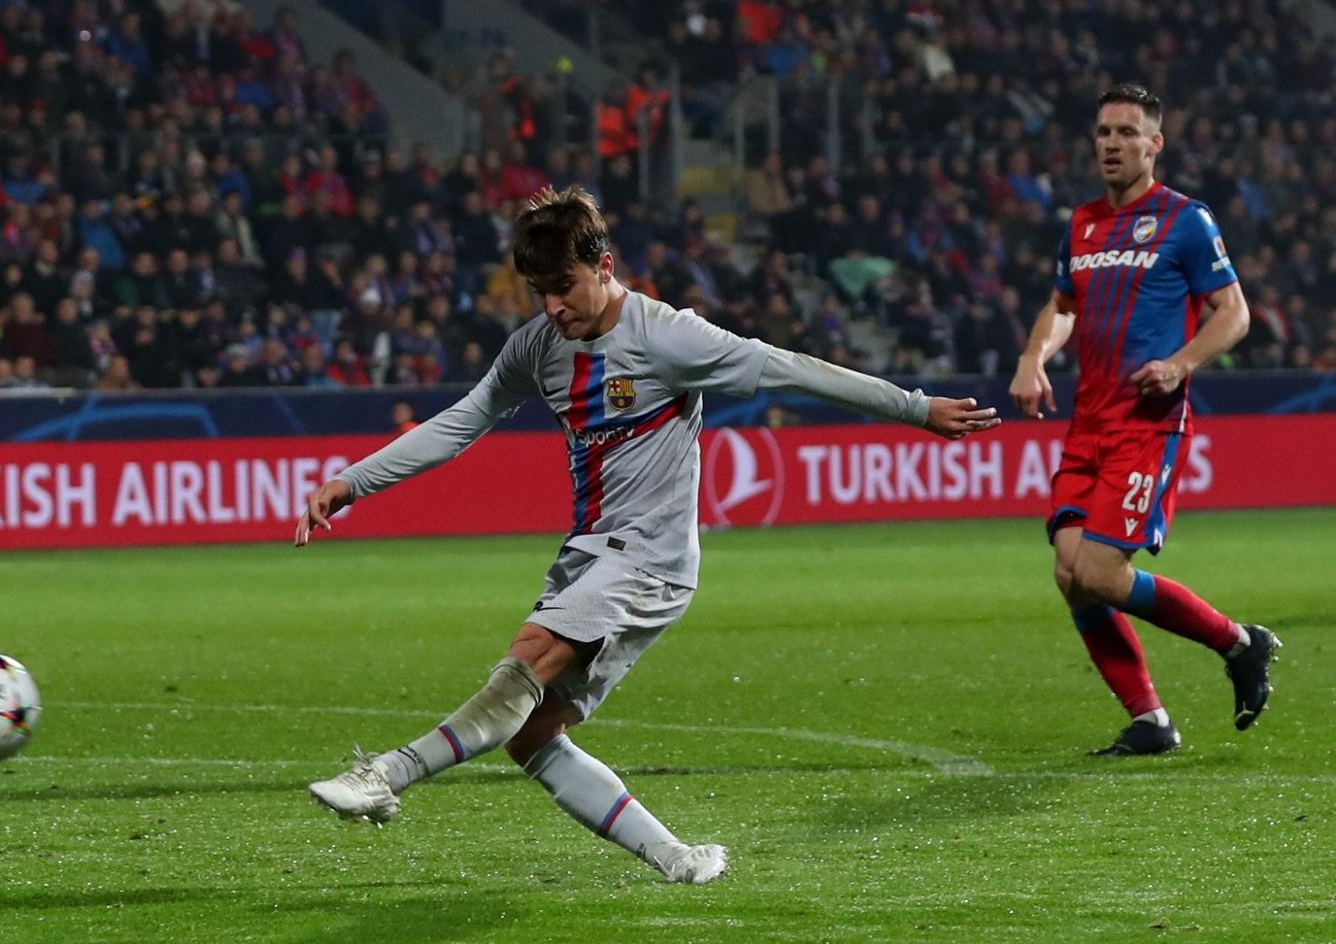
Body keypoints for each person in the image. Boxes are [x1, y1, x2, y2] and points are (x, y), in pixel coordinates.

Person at [294, 186, 997, 883]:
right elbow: (460, 422)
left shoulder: (667, 337)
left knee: (529, 656)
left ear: (604, 266)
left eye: (563, 287)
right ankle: (679, 857)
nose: (552, 307)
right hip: (590, 556)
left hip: (650, 561)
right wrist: (353, 481)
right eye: (538, 291)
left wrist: (915, 407)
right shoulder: (538, 348)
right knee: (533, 734)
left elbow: (788, 369)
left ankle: (388, 773)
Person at [1009, 84, 1276, 757]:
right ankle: (1151, 719)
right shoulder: (1083, 224)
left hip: (1145, 424)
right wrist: (1034, 356)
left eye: (1127, 132)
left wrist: (1181, 364)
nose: (1111, 143)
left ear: (1154, 144)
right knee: (1070, 572)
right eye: (1103, 132)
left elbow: (1234, 313)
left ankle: (1239, 642)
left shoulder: (1187, 220)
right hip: (1088, 425)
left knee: (1099, 573)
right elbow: (1063, 307)